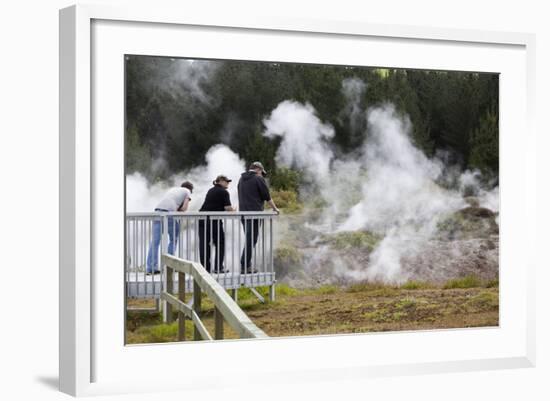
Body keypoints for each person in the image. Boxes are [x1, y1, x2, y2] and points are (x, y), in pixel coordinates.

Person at [238, 161, 279, 274]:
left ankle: (246, 265)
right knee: (252, 240)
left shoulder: (241, 179)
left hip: (243, 214)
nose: (262, 175)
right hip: (255, 214)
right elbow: (267, 196)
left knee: (249, 240)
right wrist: (275, 209)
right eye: (261, 172)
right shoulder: (258, 179)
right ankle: (245, 265)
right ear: (258, 169)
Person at [146, 181, 194, 274]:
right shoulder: (187, 191)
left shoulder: (173, 189)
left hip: (157, 211)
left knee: (155, 242)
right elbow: (184, 208)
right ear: (190, 189)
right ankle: (170, 267)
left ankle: (151, 268)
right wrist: (178, 210)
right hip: (169, 213)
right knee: (173, 240)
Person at [198, 175, 235, 273]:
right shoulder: (224, 192)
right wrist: (233, 211)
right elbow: (228, 208)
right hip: (213, 221)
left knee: (204, 244)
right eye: (227, 181)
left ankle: (205, 268)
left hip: (201, 219)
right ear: (221, 181)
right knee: (220, 243)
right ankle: (218, 267)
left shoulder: (211, 190)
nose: (228, 183)